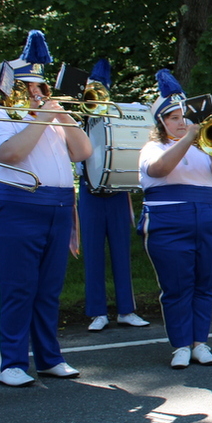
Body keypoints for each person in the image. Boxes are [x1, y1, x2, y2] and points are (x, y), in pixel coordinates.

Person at [0, 30, 91, 386]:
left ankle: (49, 358)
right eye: (28, 87)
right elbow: (10, 155)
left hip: (58, 207)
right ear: (10, 88)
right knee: (17, 288)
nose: (37, 93)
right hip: (18, 206)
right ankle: (12, 363)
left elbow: (83, 152)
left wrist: (61, 116)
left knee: (49, 290)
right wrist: (44, 118)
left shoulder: (50, 118)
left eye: (41, 88)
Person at [138, 69, 212, 369]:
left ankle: (200, 343)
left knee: (205, 284)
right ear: (162, 123)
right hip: (168, 220)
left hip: (206, 217)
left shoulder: (203, 145)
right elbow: (158, 170)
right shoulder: (153, 147)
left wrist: (211, 143)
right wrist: (188, 137)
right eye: (174, 118)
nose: (182, 122)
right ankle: (180, 345)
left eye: (184, 116)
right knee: (177, 286)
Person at [80, 59, 150, 331]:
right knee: (93, 253)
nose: (95, 98)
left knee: (122, 252)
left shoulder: (116, 119)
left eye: (100, 92)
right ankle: (97, 312)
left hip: (118, 194)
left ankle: (126, 309)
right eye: (91, 92)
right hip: (89, 194)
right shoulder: (76, 123)